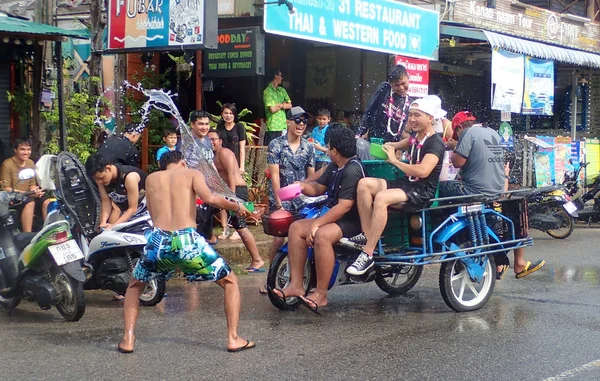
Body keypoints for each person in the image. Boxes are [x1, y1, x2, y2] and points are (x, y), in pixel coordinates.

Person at [118, 150, 253, 354]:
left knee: (134, 286)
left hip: (159, 240)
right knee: (230, 282)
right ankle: (233, 338)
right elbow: (210, 199)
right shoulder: (191, 173)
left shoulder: (151, 179)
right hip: (187, 241)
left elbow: (152, 213)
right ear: (182, 162)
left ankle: (128, 339)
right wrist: (236, 206)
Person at [346, 96, 445, 276]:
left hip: (421, 191)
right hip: (407, 185)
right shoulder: (416, 137)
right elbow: (395, 145)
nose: (412, 119)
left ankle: (367, 254)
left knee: (383, 197)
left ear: (430, 118)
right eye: (410, 115)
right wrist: (380, 147)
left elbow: (423, 171)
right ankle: (368, 236)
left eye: (417, 115)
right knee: (364, 184)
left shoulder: (435, 143)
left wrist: (394, 161)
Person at [270, 126, 365, 312]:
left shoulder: (353, 169)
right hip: (335, 216)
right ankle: (296, 284)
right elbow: (319, 188)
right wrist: (302, 186)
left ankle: (321, 294)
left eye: (328, 147)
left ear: (335, 150)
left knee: (321, 235)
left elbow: (344, 206)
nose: (327, 151)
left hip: (352, 221)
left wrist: (317, 224)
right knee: (296, 228)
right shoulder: (335, 166)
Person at [440, 111, 545, 279]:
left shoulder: (468, 133)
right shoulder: (491, 131)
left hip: (475, 191)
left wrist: (455, 148)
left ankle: (444, 235)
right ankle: (504, 262)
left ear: (459, 128)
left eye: (456, 135)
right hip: (496, 189)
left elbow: (457, 162)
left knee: (440, 189)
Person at [260, 106, 315, 294]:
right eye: (297, 120)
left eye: (304, 121)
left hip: (301, 201)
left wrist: (310, 197)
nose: (301, 124)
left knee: (301, 239)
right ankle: (270, 276)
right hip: (281, 199)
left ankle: (299, 278)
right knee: (278, 239)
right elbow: (274, 176)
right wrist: (278, 201)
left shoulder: (308, 147)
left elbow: (311, 177)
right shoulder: (276, 144)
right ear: (288, 122)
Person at [207, 129, 265, 271]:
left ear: (220, 141)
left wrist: (234, 200)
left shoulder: (224, 153)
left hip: (237, 191)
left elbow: (232, 176)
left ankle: (257, 260)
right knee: (206, 214)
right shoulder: (213, 155)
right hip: (227, 192)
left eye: (214, 139)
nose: (211, 142)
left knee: (240, 225)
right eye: (208, 140)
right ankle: (211, 243)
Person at [85, 153, 147, 229]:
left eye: (101, 178)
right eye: (96, 179)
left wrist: (113, 226)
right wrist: (104, 222)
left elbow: (132, 208)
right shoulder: (100, 180)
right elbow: (106, 200)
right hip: (124, 209)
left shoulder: (129, 177)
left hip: (144, 210)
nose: (99, 182)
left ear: (108, 168)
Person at [0, 138, 49, 232]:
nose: (26, 152)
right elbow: (6, 188)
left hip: (28, 193)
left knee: (46, 201)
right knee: (30, 202)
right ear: (15, 150)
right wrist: (28, 193)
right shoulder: (7, 164)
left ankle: (47, 230)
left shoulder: (30, 163)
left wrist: (35, 190)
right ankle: (27, 235)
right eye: (22, 149)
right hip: (14, 197)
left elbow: (32, 184)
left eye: (28, 149)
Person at [358, 64, 414, 142]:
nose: (401, 88)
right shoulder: (384, 89)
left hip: (394, 146)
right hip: (376, 140)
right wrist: (360, 133)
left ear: (408, 77)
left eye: (403, 83)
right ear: (390, 84)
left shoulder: (411, 103)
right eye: (396, 85)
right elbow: (369, 111)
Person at [263, 68, 292, 147]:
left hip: (283, 126)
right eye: (281, 75)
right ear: (275, 76)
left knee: (283, 149)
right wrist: (282, 105)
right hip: (273, 127)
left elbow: (290, 105)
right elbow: (272, 109)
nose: (282, 78)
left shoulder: (282, 90)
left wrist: (281, 105)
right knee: (272, 150)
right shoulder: (268, 91)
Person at [217, 103, 247, 173]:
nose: (228, 116)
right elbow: (219, 146)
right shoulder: (220, 127)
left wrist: (242, 167)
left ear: (234, 115)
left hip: (236, 163)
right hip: (223, 162)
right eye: (226, 113)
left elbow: (242, 148)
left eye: (231, 113)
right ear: (222, 114)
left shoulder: (239, 127)